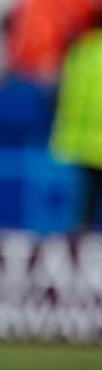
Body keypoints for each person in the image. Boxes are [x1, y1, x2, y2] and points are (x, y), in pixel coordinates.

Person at [50, 21, 102, 231]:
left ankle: (81, 247)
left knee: (84, 210)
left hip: (84, 145)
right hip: (89, 144)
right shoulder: (81, 51)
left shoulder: (81, 52)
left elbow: (67, 97)